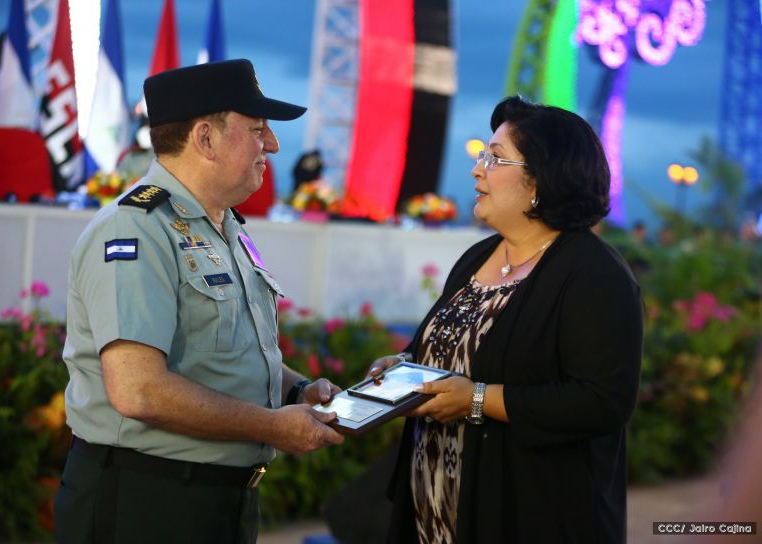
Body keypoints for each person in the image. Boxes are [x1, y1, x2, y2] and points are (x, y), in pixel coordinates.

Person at [54, 59, 344, 543]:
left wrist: (296, 392)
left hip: (215, 502)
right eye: (257, 129)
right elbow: (138, 390)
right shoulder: (137, 228)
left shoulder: (223, 227)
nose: (271, 144)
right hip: (148, 504)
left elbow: (221, 352)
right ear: (205, 139)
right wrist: (272, 426)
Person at [371, 96, 644, 543]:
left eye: (494, 158)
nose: (477, 170)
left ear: (541, 178)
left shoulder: (595, 275)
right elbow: (463, 348)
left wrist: (477, 400)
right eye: (482, 155)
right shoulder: (478, 257)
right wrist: (403, 366)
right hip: (434, 510)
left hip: (529, 516)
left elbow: (603, 401)